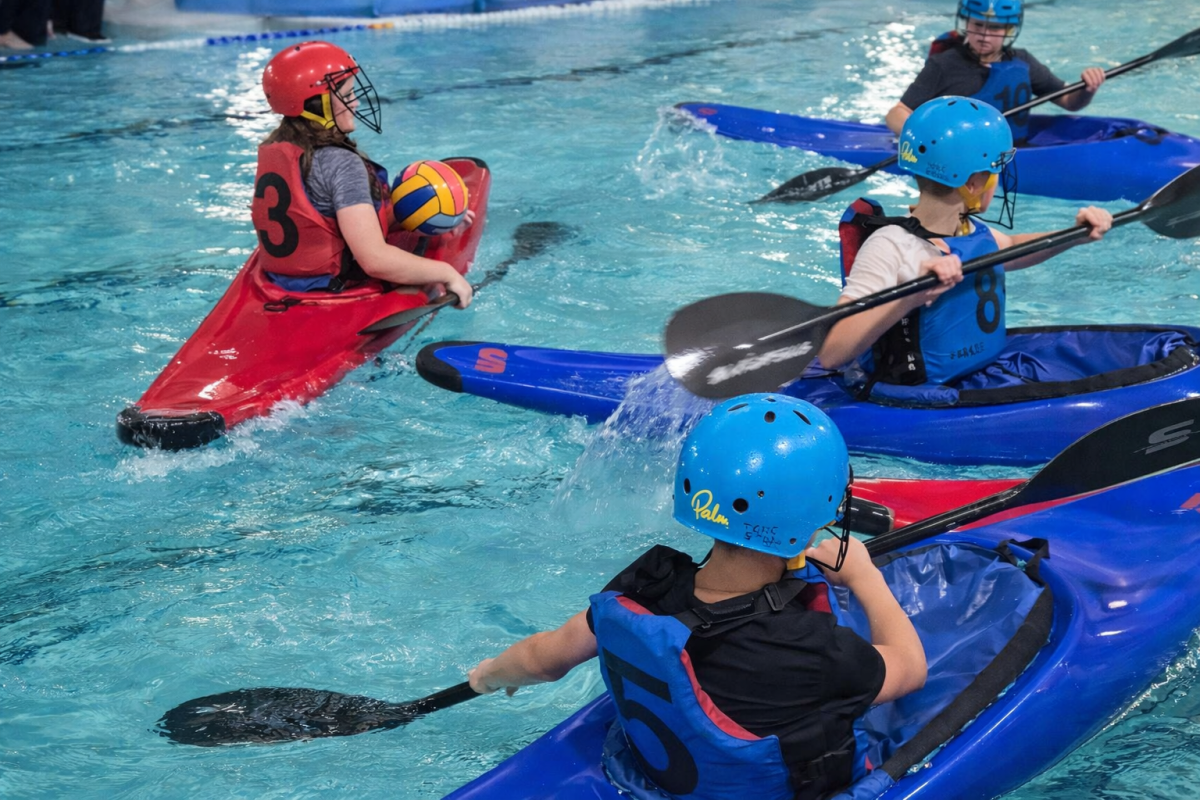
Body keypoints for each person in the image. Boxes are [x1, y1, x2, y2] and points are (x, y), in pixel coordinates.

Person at [469, 394, 927, 800]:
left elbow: (542, 660)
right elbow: (911, 669)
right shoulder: (808, 648)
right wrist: (865, 577)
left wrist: (488, 675)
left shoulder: (641, 589)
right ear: (812, 517)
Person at [819, 96, 1112, 392]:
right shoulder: (890, 246)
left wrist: (1074, 235)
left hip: (977, 374)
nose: (998, 180)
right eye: (994, 171)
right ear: (972, 184)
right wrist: (910, 296)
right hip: (919, 396)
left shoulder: (967, 229)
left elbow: (1013, 248)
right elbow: (832, 353)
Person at [255, 41, 474, 303]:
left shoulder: (275, 147)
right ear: (317, 105)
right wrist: (447, 273)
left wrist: (427, 213)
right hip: (330, 291)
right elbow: (374, 260)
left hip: (277, 282)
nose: (357, 102)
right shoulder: (341, 163)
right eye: (347, 95)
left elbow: (323, 218)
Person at [884, 0, 1107, 143]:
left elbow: (1069, 101)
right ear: (966, 23)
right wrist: (929, 139)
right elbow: (897, 113)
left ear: (1009, 29)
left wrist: (1088, 89)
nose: (984, 35)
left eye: (994, 28)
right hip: (961, 158)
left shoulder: (1023, 61)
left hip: (1015, 150)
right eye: (977, 25)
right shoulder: (944, 64)